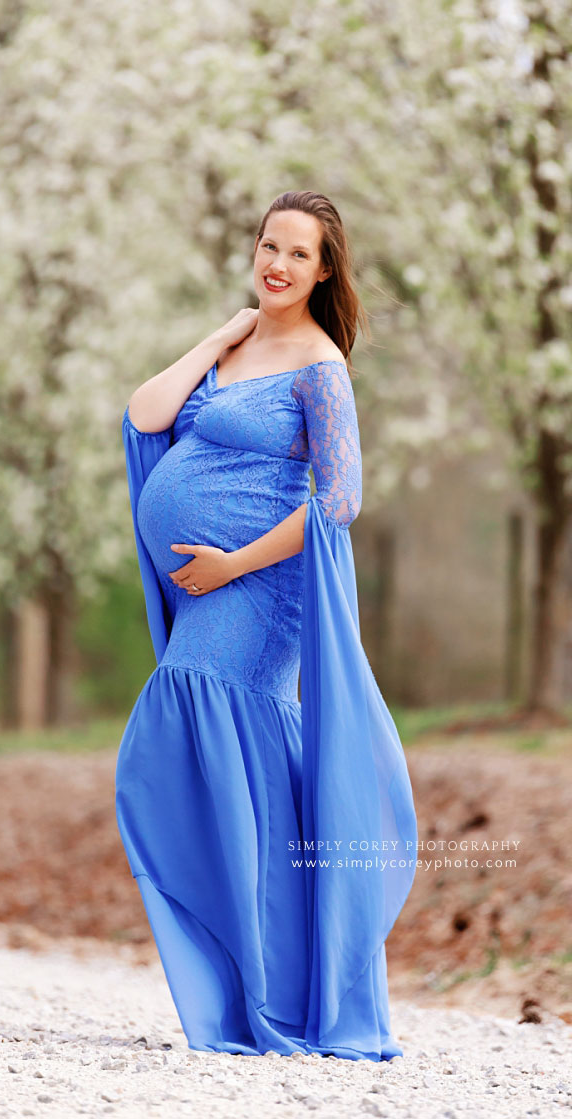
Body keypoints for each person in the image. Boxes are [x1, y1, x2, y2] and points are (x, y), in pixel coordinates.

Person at [115, 189, 417, 1061]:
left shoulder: (323, 367)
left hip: (261, 591)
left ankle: (268, 985)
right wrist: (219, 336)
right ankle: (264, 982)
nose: (278, 264)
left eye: (298, 253)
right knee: (247, 776)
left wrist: (233, 564)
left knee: (185, 722)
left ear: (326, 269)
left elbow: (340, 498)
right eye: (268, 246)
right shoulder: (241, 342)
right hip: (205, 587)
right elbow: (145, 414)